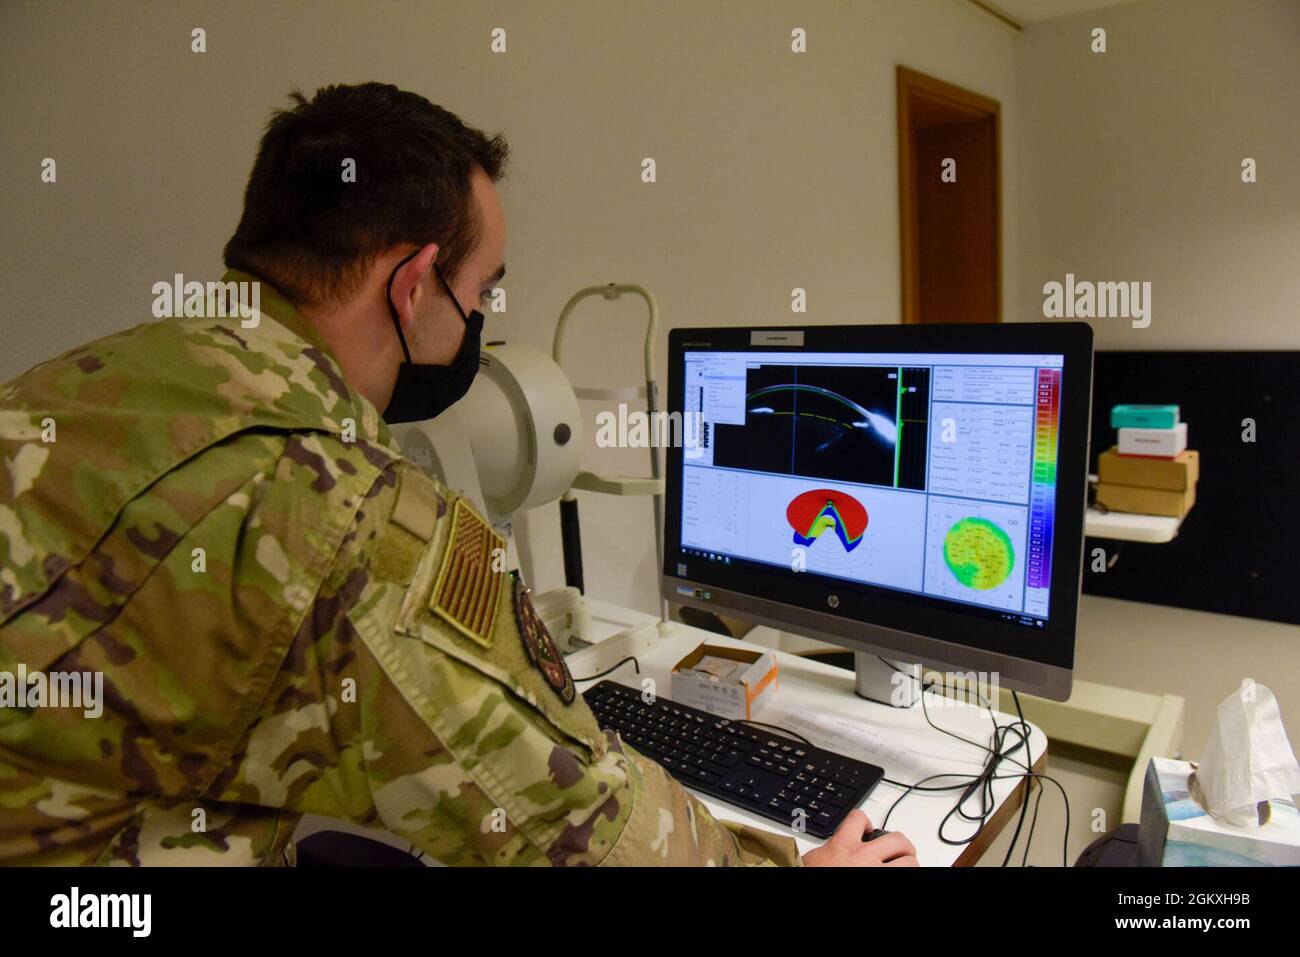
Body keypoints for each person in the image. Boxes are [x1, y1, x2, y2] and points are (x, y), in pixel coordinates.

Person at [0, 82, 917, 867]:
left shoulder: (86, 382)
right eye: (478, 294)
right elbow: (573, 825)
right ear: (413, 285)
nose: (476, 324)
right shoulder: (344, 515)